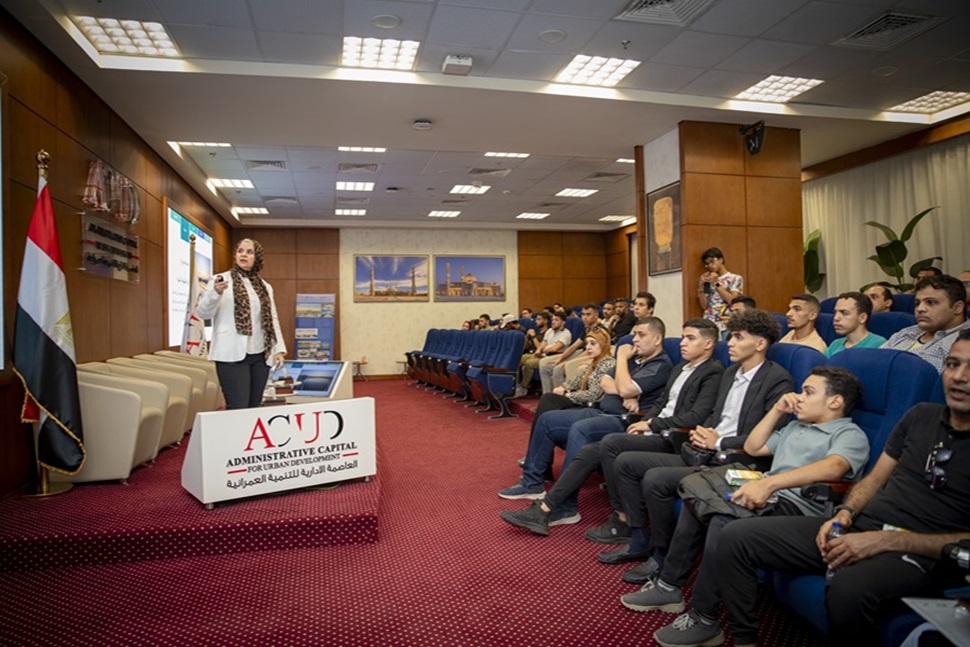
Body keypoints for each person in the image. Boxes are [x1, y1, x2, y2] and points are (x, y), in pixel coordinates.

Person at [717, 328, 970, 647]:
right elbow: (874, 479)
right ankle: (744, 640)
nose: (959, 377)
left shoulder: (846, 434)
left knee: (849, 587)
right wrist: (844, 515)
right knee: (736, 537)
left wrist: (887, 540)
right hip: (864, 526)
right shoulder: (920, 416)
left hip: (921, 551)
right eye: (952, 364)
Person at [624, 367, 870, 647]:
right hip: (766, 494)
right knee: (697, 497)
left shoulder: (849, 433)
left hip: (797, 507)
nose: (799, 397)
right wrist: (777, 410)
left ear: (835, 402)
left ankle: (704, 618)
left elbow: (835, 466)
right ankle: (669, 586)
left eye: (808, 392)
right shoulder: (795, 426)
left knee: (722, 519)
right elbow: (754, 447)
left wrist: (771, 483)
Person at [602, 309, 794, 573]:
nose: (730, 343)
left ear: (760, 344)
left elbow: (770, 437)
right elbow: (715, 415)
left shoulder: (777, 379)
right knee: (626, 462)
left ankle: (661, 555)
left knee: (655, 478)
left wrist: (720, 442)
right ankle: (639, 540)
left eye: (738, 337)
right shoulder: (731, 373)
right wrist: (704, 432)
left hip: (737, 460)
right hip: (704, 450)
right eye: (731, 337)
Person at [499, 319, 723, 537]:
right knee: (552, 420)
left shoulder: (686, 368)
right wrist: (631, 398)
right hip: (629, 418)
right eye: (683, 337)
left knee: (586, 432)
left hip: (653, 429)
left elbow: (694, 416)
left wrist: (646, 416)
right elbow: (613, 385)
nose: (683, 343)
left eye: (690, 338)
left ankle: (570, 508)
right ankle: (540, 498)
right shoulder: (680, 368)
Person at [498, 317, 672, 501]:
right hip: (601, 411)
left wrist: (621, 361)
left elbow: (626, 388)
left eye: (641, 335)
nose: (635, 339)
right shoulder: (634, 359)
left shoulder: (659, 364)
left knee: (580, 428)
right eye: (635, 334)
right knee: (547, 419)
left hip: (622, 419)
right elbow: (604, 382)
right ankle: (531, 484)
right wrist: (625, 391)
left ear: (657, 339)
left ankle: (563, 502)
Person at [195, 238, 286, 410]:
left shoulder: (265, 286)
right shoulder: (219, 280)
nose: (243, 255)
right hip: (231, 354)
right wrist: (215, 293)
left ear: (257, 257)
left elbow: (272, 319)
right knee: (238, 407)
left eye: (249, 252)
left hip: (261, 354)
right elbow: (203, 313)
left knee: (254, 406)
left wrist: (279, 349)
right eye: (240, 251)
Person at [881, 274, 970, 373]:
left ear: (957, 308)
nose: (920, 309)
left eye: (930, 302)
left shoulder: (962, 343)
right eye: (917, 303)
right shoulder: (906, 332)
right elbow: (875, 361)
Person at [539, 303, 602, 393]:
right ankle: (547, 395)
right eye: (583, 314)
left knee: (558, 369)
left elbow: (590, 350)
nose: (585, 317)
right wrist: (560, 359)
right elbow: (574, 346)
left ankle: (559, 398)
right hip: (582, 353)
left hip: (593, 356)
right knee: (545, 366)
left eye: (588, 314)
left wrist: (569, 362)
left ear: (596, 315)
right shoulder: (587, 329)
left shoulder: (599, 330)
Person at [516, 310, 571, 396]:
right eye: (553, 319)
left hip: (555, 357)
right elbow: (542, 345)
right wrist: (537, 352)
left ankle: (523, 387)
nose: (553, 322)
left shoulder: (566, 334)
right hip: (544, 355)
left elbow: (555, 348)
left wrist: (544, 349)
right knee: (519, 358)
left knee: (529, 363)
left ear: (563, 323)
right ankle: (516, 384)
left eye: (556, 320)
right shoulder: (550, 331)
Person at [826, 291, 887, 357]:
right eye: (835, 313)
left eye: (845, 313)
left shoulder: (878, 344)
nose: (836, 318)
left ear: (862, 318)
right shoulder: (835, 344)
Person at [697, 247, 743, 334]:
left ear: (721, 260)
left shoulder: (735, 278)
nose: (710, 265)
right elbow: (704, 306)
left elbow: (733, 301)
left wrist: (716, 283)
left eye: (712, 261)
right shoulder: (708, 279)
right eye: (707, 264)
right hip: (710, 323)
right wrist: (701, 286)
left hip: (726, 323)